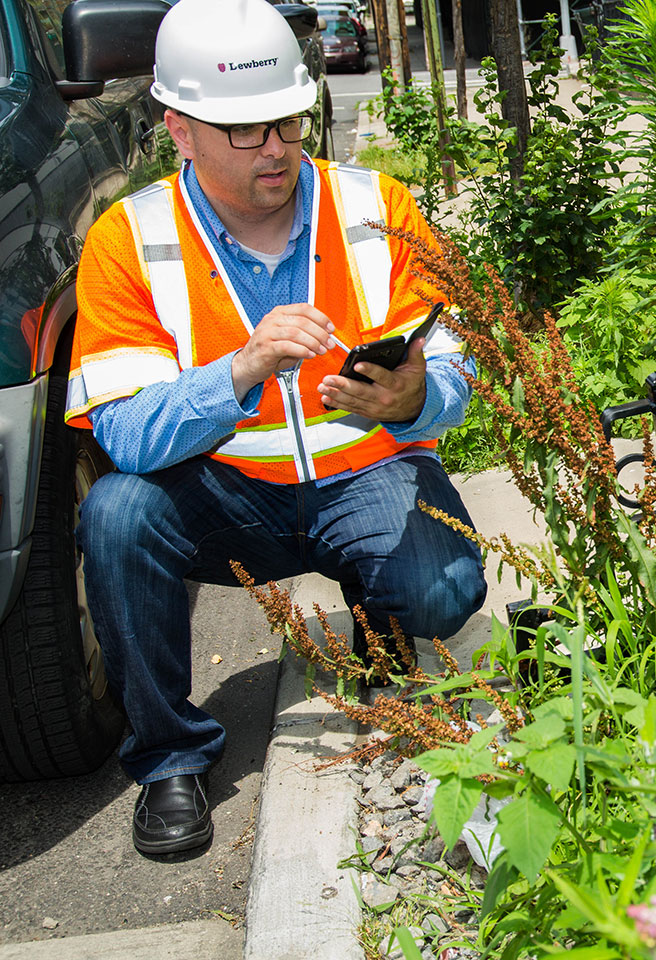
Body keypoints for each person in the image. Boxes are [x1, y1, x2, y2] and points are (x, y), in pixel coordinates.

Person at [64, 0, 486, 856]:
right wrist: (241, 370)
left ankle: (383, 625)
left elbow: (459, 370)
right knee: (114, 514)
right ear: (178, 128)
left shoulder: (378, 205)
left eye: (287, 122)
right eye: (245, 131)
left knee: (444, 589)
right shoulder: (127, 241)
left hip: (365, 476)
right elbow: (128, 437)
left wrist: (413, 399)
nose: (277, 148)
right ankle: (169, 758)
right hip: (224, 502)